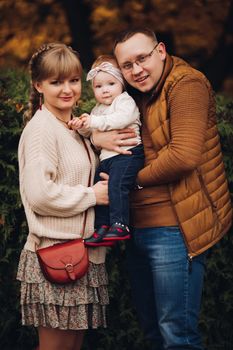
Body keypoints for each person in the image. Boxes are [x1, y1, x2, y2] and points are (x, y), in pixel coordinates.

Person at [92, 27, 232, 349]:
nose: (136, 70)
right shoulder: (134, 94)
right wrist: (99, 138)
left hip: (174, 227)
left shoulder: (186, 85)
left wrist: (131, 180)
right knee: (153, 333)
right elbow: (111, 128)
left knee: (176, 336)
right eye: (127, 65)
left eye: (142, 58)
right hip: (138, 226)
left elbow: (183, 155)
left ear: (161, 51)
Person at [16, 43, 110, 350]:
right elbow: (40, 195)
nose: (66, 89)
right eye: (56, 82)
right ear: (38, 84)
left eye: (72, 80)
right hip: (54, 254)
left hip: (81, 254)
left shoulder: (71, 128)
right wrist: (92, 195)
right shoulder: (42, 129)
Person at [69, 55, 144, 246]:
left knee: (117, 185)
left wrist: (94, 122)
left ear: (121, 84)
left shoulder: (125, 101)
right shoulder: (97, 109)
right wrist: (82, 125)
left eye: (110, 83)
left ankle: (120, 224)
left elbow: (121, 119)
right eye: (98, 86)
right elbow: (92, 131)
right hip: (108, 158)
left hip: (128, 154)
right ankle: (102, 226)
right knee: (99, 187)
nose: (105, 90)